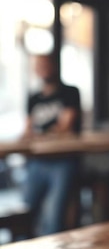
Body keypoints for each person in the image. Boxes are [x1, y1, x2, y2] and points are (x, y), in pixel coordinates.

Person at [21, 53, 82, 236]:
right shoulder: (33, 97)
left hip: (62, 161)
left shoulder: (70, 92)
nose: (42, 68)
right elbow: (28, 130)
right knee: (25, 212)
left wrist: (42, 135)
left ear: (55, 66)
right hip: (38, 161)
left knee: (53, 217)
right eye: (39, 65)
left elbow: (65, 127)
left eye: (46, 64)